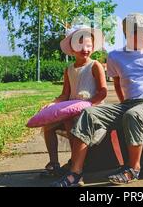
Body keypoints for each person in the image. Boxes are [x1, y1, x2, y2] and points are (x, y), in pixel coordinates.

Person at [53, 13, 143, 187]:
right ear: (131, 35)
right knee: (88, 113)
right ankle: (76, 173)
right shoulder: (115, 56)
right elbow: (117, 83)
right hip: (129, 104)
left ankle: (133, 169)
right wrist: (124, 102)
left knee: (133, 115)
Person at [42, 25, 107, 176]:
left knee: (69, 120)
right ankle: (54, 163)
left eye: (88, 45)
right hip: (71, 107)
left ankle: (75, 161)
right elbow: (65, 94)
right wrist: (53, 104)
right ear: (72, 48)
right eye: (81, 45)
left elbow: (103, 92)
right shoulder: (69, 69)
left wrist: (88, 104)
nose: (85, 49)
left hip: (90, 108)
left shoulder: (95, 66)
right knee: (48, 124)